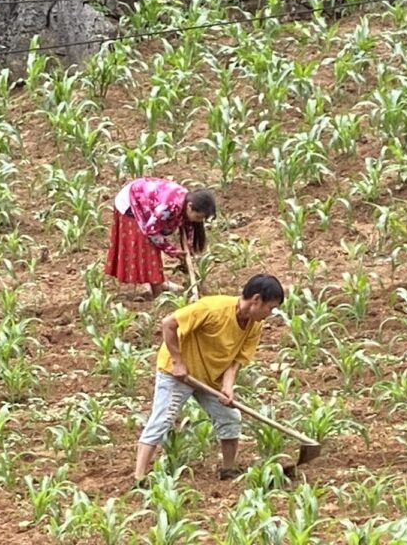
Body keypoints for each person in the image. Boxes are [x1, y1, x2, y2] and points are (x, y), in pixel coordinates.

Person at [134, 273, 285, 483]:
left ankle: (228, 470)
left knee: (230, 418)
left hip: (210, 377)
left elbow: (236, 360)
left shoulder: (254, 324)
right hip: (178, 374)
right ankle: (139, 477)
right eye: (270, 307)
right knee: (162, 420)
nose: (270, 313)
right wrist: (178, 362)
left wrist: (228, 387)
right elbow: (169, 323)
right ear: (256, 300)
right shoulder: (213, 308)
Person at [105, 177, 216, 297]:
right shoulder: (169, 207)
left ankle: (159, 283)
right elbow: (151, 231)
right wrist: (171, 250)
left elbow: (188, 227)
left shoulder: (186, 202)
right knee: (148, 248)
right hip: (131, 202)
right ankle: (157, 292)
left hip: (146, 200)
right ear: (189, 206)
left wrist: (188, 249)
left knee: (154, 245)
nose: (199, 221)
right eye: (198, 217)